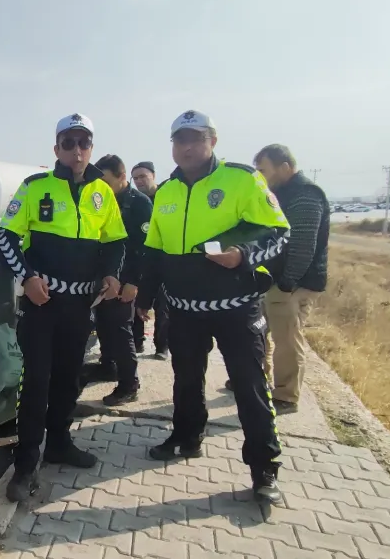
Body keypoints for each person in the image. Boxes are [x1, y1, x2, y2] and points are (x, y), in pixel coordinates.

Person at [135, 109, 290, 504]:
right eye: (179, 140)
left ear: (212, 141)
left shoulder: (241, 179)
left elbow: (277, 231)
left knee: (251, 388)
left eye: (195, 138)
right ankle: (187, 437)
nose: (186, 147)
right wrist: (145, 298)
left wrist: (242, 254)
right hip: (184, 310)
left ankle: (264, 467)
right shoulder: (165, 191)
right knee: (185, 381)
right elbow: (153, 249)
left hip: (236, 308)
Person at [0, 113, 128, 502]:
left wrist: (111, 273)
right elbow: (6, 237)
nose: (76, 150)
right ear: (56, 148)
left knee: (69, 377)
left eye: (84, 142)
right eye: (68, 143)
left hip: (80, 305)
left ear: (91, 148)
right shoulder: (36, 187)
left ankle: (59, 443)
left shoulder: (103, 191)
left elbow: (116, 240)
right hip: (42, 303)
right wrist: (28, 277)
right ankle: (25, 462)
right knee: (37, 381)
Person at [227, 144, 328, 414]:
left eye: (263, 170)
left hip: (293, 283)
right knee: (259, 331)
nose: (259, 176)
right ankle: (256, 378)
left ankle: (286, 395)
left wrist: (287, 283)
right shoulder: (278, 194)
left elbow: (303, 245)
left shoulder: (305, 195)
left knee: (287, 340)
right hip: (272, 280)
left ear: (285, 167)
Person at [89, 154, 153, 406]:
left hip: (125, 279)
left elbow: (145, 248)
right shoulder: (102, 200)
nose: (102, 187)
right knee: (103, 326)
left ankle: (129, 384)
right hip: (104, 278)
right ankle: (108, 366)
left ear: (122, 177)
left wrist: (134, 283)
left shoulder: (139, 204)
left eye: (107, 181)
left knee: (121, 331)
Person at [130, 161, 169, 359]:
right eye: (135, 178)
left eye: (142, 176)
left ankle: (162, 346)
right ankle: (137, 342)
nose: (139, 181)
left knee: (162, 304)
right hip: (141, 258)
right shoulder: (134, 200)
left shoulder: (166, 195)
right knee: (137, 300)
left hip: (161, 257)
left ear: (153, 175)